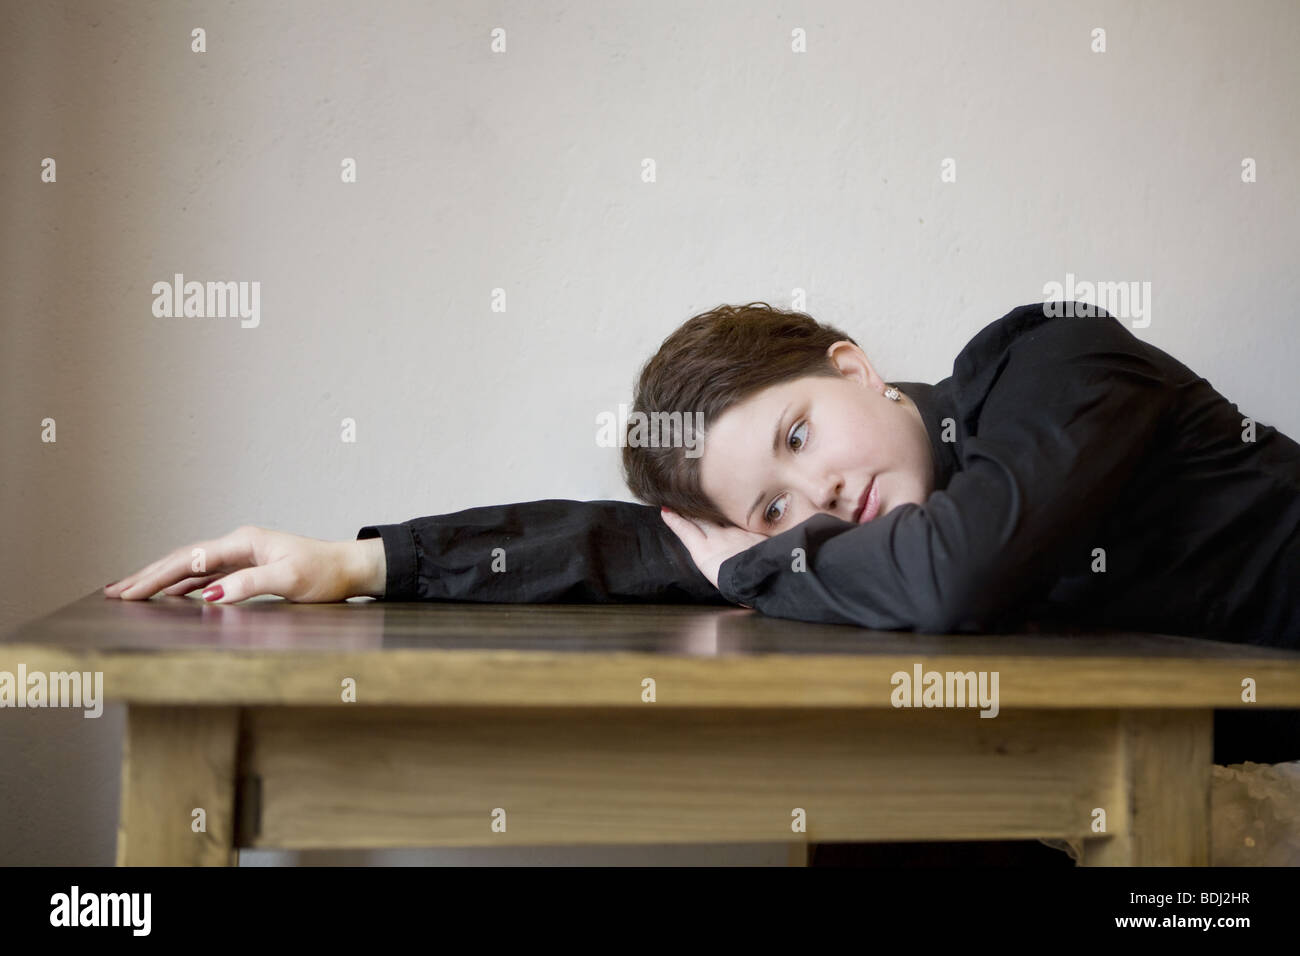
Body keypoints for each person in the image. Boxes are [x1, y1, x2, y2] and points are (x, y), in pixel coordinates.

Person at [104, 301, 1300, 766]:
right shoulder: (848, 532)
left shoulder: (1058, 357)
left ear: (855, 367)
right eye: (772, 504)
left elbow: (955, 575)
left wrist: (767, 556)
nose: (818, 497)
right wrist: (360, 561)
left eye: (797, 433)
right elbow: (639, 544)